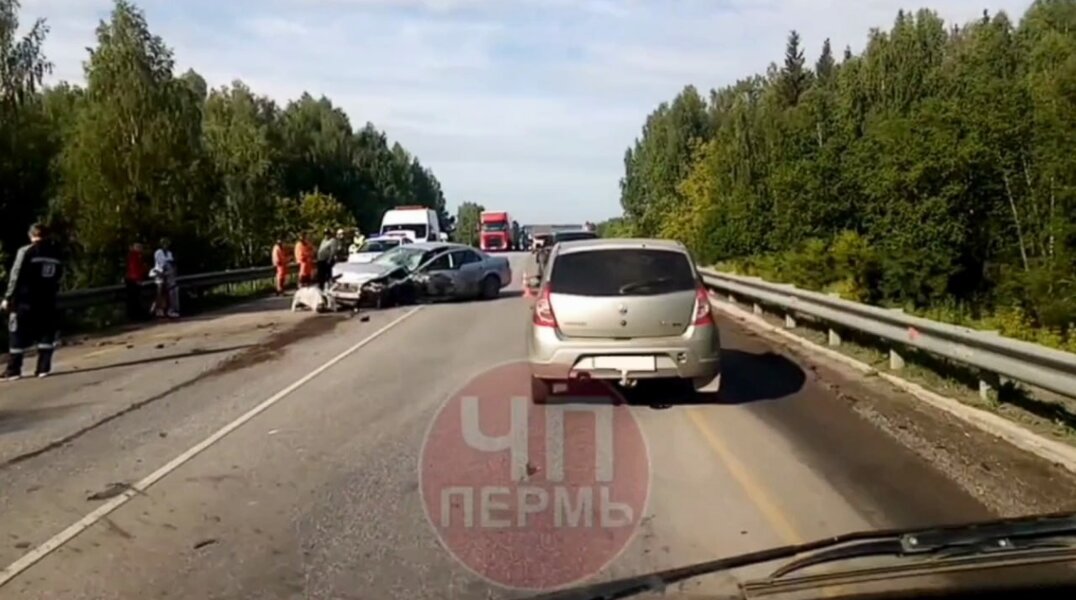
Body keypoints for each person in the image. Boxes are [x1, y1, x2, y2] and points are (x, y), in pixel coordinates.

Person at [2, 223, 64, 381]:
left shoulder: (26, 251)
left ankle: (14, 370)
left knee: (17, 333)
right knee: (45, 334)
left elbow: (16, 275)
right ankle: (43, 368)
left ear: (31, 235)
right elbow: (58, 276)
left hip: (26, 300)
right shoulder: (56, 253)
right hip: (48, 300)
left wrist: (8, 297)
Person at [151, 237, 179, 319]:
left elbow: (171, 262)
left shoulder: (169, 253)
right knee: (160, 290)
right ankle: (158, 309)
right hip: (160, 273)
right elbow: (160, 263)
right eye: (164, 244)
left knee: (170, 291)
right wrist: (162, 272)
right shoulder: (158, 252)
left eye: (166, 244)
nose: (165, 245)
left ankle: (169, 310)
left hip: (168, 273)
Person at [124, 242, 149, 320]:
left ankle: (134, 315)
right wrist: (137, 280)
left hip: (132, 279)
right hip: (133, 280)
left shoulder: (136, 256)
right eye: (138, 247)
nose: (140, 249)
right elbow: (134, 269)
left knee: (134, 299)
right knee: (134, 299)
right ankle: (135, 316)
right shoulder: (134, 256)